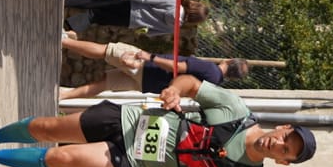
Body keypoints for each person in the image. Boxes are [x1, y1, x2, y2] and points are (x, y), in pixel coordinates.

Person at [0, 73, 315, 167]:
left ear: (283, 162)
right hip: (131, 121)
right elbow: (190, 84)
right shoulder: (236, 109)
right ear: (283, 129)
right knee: (47, 128)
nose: (279, 145)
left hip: (138, 165)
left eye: (286, 152)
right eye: (286, 138)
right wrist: (173, 91)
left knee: (63, 160)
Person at [59, 36, 251, 101]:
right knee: (104, 84)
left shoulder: (209, 68)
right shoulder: (215, 85)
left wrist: (149, 57)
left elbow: (179, 66)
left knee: (106, 50)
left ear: (230, 60)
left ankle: (64, 41)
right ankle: (64, 96)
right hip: (147, 84)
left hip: (147, 67)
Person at [64, 0, 207, 37]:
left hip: (130, 6)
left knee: (95, 2)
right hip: (131, 22)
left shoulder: (173, 2)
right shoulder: (174, 28)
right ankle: (68, 27)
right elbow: (150, 33)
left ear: (193, 6)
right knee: (96, 16)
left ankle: (66, 1)